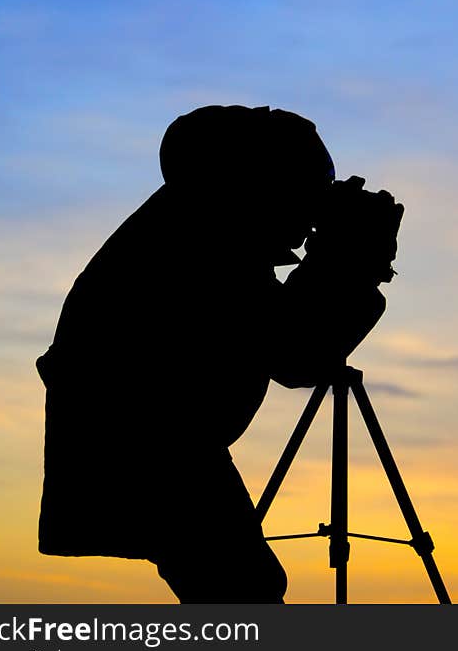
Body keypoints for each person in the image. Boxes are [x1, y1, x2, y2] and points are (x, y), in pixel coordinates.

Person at [35, 104, 402, 603]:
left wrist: (342, 263)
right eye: (304, 193)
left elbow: (284, 340)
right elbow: (296, 354)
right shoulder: (204, 244)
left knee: (244, 588)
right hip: (151, 452)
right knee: (244, 593)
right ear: (260, 184)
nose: (310, 216)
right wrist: (353, 263)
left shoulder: (198, 227)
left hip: (152, 448)